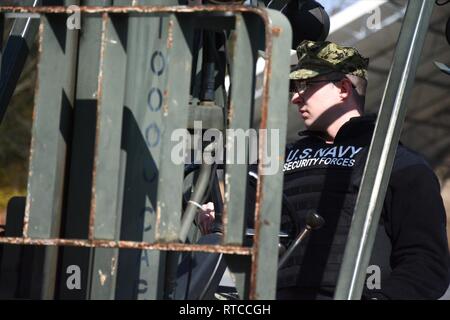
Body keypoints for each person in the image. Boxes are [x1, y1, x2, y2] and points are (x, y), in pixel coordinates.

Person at [198, 40, 450, 300]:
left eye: (306, 85)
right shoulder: (274, 160)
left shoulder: (396, 162)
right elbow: (244, 224)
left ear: (343, 88)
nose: (295, 97)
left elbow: (426, 264)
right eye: (294, 88)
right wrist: (222, 217)